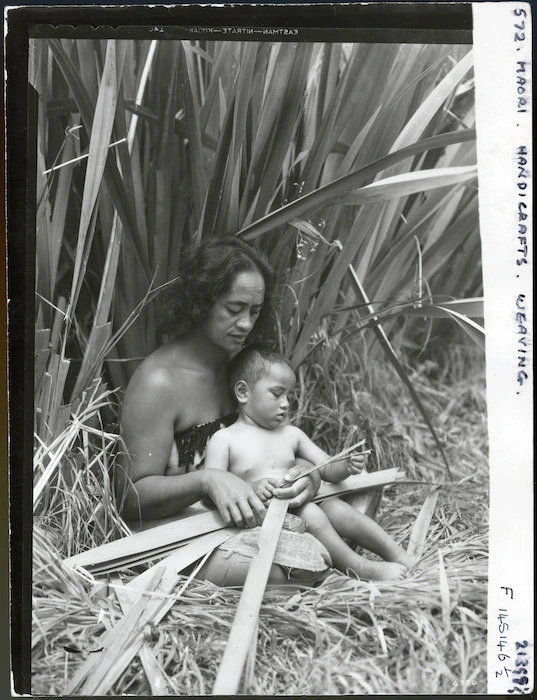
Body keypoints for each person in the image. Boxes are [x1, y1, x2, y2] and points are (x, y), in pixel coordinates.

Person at [115, 236, 326, 586]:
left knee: (342, 514)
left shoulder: (244, 370)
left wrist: (306, 474)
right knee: (286, 572)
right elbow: (130, 498)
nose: (245, 323)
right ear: (201, 303)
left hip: (246, 517)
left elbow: (280, 442)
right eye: (234, 309)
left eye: (254, 312)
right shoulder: (159, 382)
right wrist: (208, 479)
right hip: (176, 532)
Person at [203, 344, 413, 581]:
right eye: (276, 393)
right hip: (262, 519)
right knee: (312, 514)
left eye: (288, 396)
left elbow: (326, 467)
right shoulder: (225, 439)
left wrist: (345, 466)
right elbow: (213, 489)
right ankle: (360, 568)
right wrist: (249, 489)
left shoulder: (291, 434)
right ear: (243, 392)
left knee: (338, 509)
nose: (285, 403)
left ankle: (399, 554)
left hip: (301, 504)